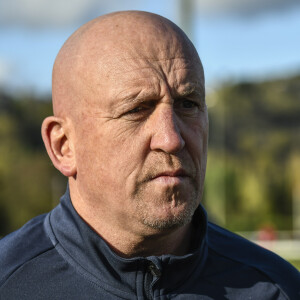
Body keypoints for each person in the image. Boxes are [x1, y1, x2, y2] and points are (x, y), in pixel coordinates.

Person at [0, 11, 299, 300]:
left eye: (188, 104)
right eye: (137, 109)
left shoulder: (278, 288)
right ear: (64, 146)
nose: (172, 139)